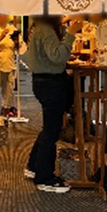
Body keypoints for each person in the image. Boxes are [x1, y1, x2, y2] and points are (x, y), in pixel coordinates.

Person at [23, 15, 79, 193]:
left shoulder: (38, 27)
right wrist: (71, 34)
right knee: (52, 130)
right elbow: (57, 56)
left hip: (43, 81)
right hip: (51, 83)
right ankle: (44, 177)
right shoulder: (46, 30)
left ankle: (34, 166)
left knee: (49, 128)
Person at [0, 13, 23, 123]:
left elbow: (20, 47)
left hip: (9, 63)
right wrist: (2, 35)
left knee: (9, 90)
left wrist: (16, 41)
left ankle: (5, 114)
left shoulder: (12, 28)